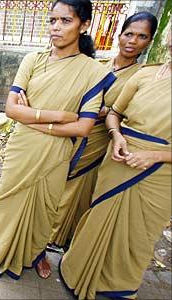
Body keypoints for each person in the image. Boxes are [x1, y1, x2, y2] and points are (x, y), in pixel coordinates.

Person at [0, 0, 116, 280]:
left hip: (55, 154)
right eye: (52, 20)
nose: (56, 27)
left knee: (44, 210)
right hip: (22, 148)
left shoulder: (93, 73)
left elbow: (83, 127)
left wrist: (33, 117)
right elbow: (11, 109)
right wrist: (60, 116)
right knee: (8, 202)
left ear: (84, 25)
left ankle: (32, 254)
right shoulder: (33, 60)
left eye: (65, 21)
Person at [59, 30, 171, 300]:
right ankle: (78, 272)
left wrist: (155, 156)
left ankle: (117, 285)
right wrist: (116, 135)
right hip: (119, 156)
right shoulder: (146, 75)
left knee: (138, 233)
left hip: (159, 171)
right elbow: (116, 114)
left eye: (141, 36)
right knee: (99, 215)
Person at [49, 12, 158, 249]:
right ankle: (48, 232)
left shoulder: (144, 76)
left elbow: (129, 112)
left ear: (149, 42)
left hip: (102, 138)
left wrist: (102, 111)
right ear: (120, 35)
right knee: (58, 182)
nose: (132, 41)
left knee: (81, 186)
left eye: (141, 36)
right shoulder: (98, 66)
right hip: (74, 131)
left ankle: (60, 237)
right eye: (129, 34)